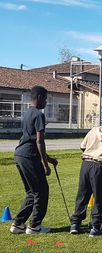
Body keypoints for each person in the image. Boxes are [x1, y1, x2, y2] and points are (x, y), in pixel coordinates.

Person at [10, 86, 58, 234]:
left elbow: (30, 139)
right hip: (29, 156)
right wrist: (45, 165)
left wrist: (49, 159)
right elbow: (39, 141)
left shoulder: (27, 113)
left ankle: (18, 224)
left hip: (20, 155)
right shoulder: (39, 114)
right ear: (39, 97)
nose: (46, 102)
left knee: (32, 192)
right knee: (41, 191)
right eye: (45, 99)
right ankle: (34, 226)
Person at [70, 112, 102, 237]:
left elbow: (82, 146)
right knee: (99, 198)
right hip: (101, 167)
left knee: (82, 195)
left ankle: (75, 224)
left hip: (86, 164)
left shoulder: (93, 130)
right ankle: (95, 226)